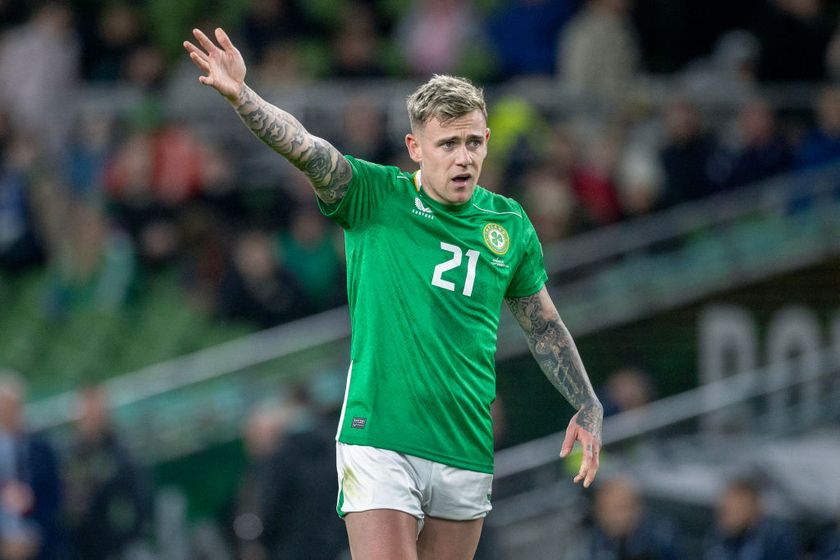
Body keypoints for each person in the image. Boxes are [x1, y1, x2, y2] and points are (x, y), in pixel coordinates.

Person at [184, 27, 603, 560]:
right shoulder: (374, 196)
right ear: (415, 148)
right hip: (379, 434)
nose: (463, 158)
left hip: (465, 442)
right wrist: (245, 97)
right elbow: (306, 147)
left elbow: (543, 324)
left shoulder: (509, 224)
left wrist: (586, 402)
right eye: (447, 144)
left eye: (473, 142)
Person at [0, 372, 63, 560]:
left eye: (12, 407)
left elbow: (54, 496)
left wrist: (34, 534)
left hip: (39, 546)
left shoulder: (41, 450)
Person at [703, 477, 799, 560]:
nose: (726, 519)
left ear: (754, 508)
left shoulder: (776, 539)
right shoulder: (718, 540)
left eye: (736, 510)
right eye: (725, 512)